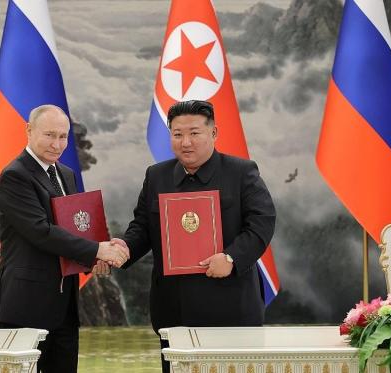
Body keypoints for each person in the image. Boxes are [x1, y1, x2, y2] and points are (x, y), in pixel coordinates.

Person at [95, 100, 276, 373]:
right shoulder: (156, 175)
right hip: (174, 308)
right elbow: (143, 226)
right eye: (177, 134)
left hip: (230, 306)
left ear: (214, 133)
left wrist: (231, 257)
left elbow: (262, 223)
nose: (185, 142)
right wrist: (124, 248)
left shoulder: (241, 172)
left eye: (194, 133)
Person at [0, 104, 129, 373]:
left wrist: (94, 258)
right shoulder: (15, 176)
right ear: (29, 131)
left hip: (64, 304)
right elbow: (41, 231)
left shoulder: (65, 174)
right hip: (27, 304)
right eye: (49, 135)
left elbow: (74, 229)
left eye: (63, 136)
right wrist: (97, 250)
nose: (57, 144)